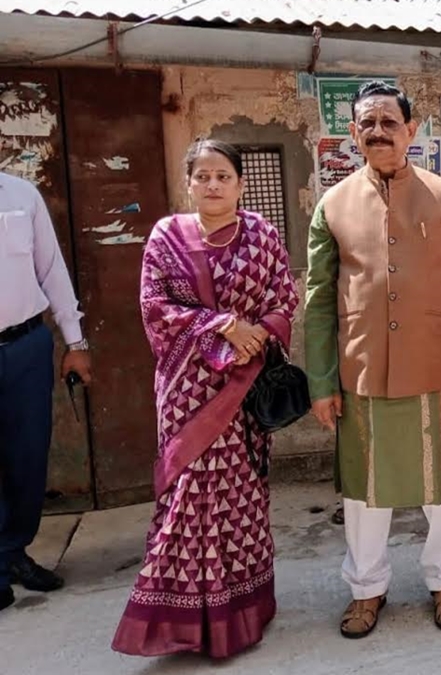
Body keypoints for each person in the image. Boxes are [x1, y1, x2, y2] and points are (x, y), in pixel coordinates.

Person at [305, 81, 441, 638]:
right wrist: (321, 382)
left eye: (390, 122)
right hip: (360, 370)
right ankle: (367, 588)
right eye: (368, 123)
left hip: (434, 366)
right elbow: (318, 300)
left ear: (412, 130)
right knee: (365, 492)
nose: (378, 131)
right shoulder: (332, 204)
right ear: (353, 132)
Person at [112, 140, 298, 657]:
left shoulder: (261, 234)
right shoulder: (166, 236)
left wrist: (259, 334)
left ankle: (243, 612)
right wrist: (224, 326)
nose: (213, 185)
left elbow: (284, 296)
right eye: (203, 176)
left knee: (241, 498)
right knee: (188, 495)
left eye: (223, 176)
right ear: (188, 183)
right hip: (187, 390)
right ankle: (181, 622)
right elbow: (154, 306)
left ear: (241, 184)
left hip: (245, 388)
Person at [0, 172, 92, 613]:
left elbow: (51, 269)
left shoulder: (22, 194)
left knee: (28, 455)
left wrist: (76, 342)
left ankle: (13, 550)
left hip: (26, 345)